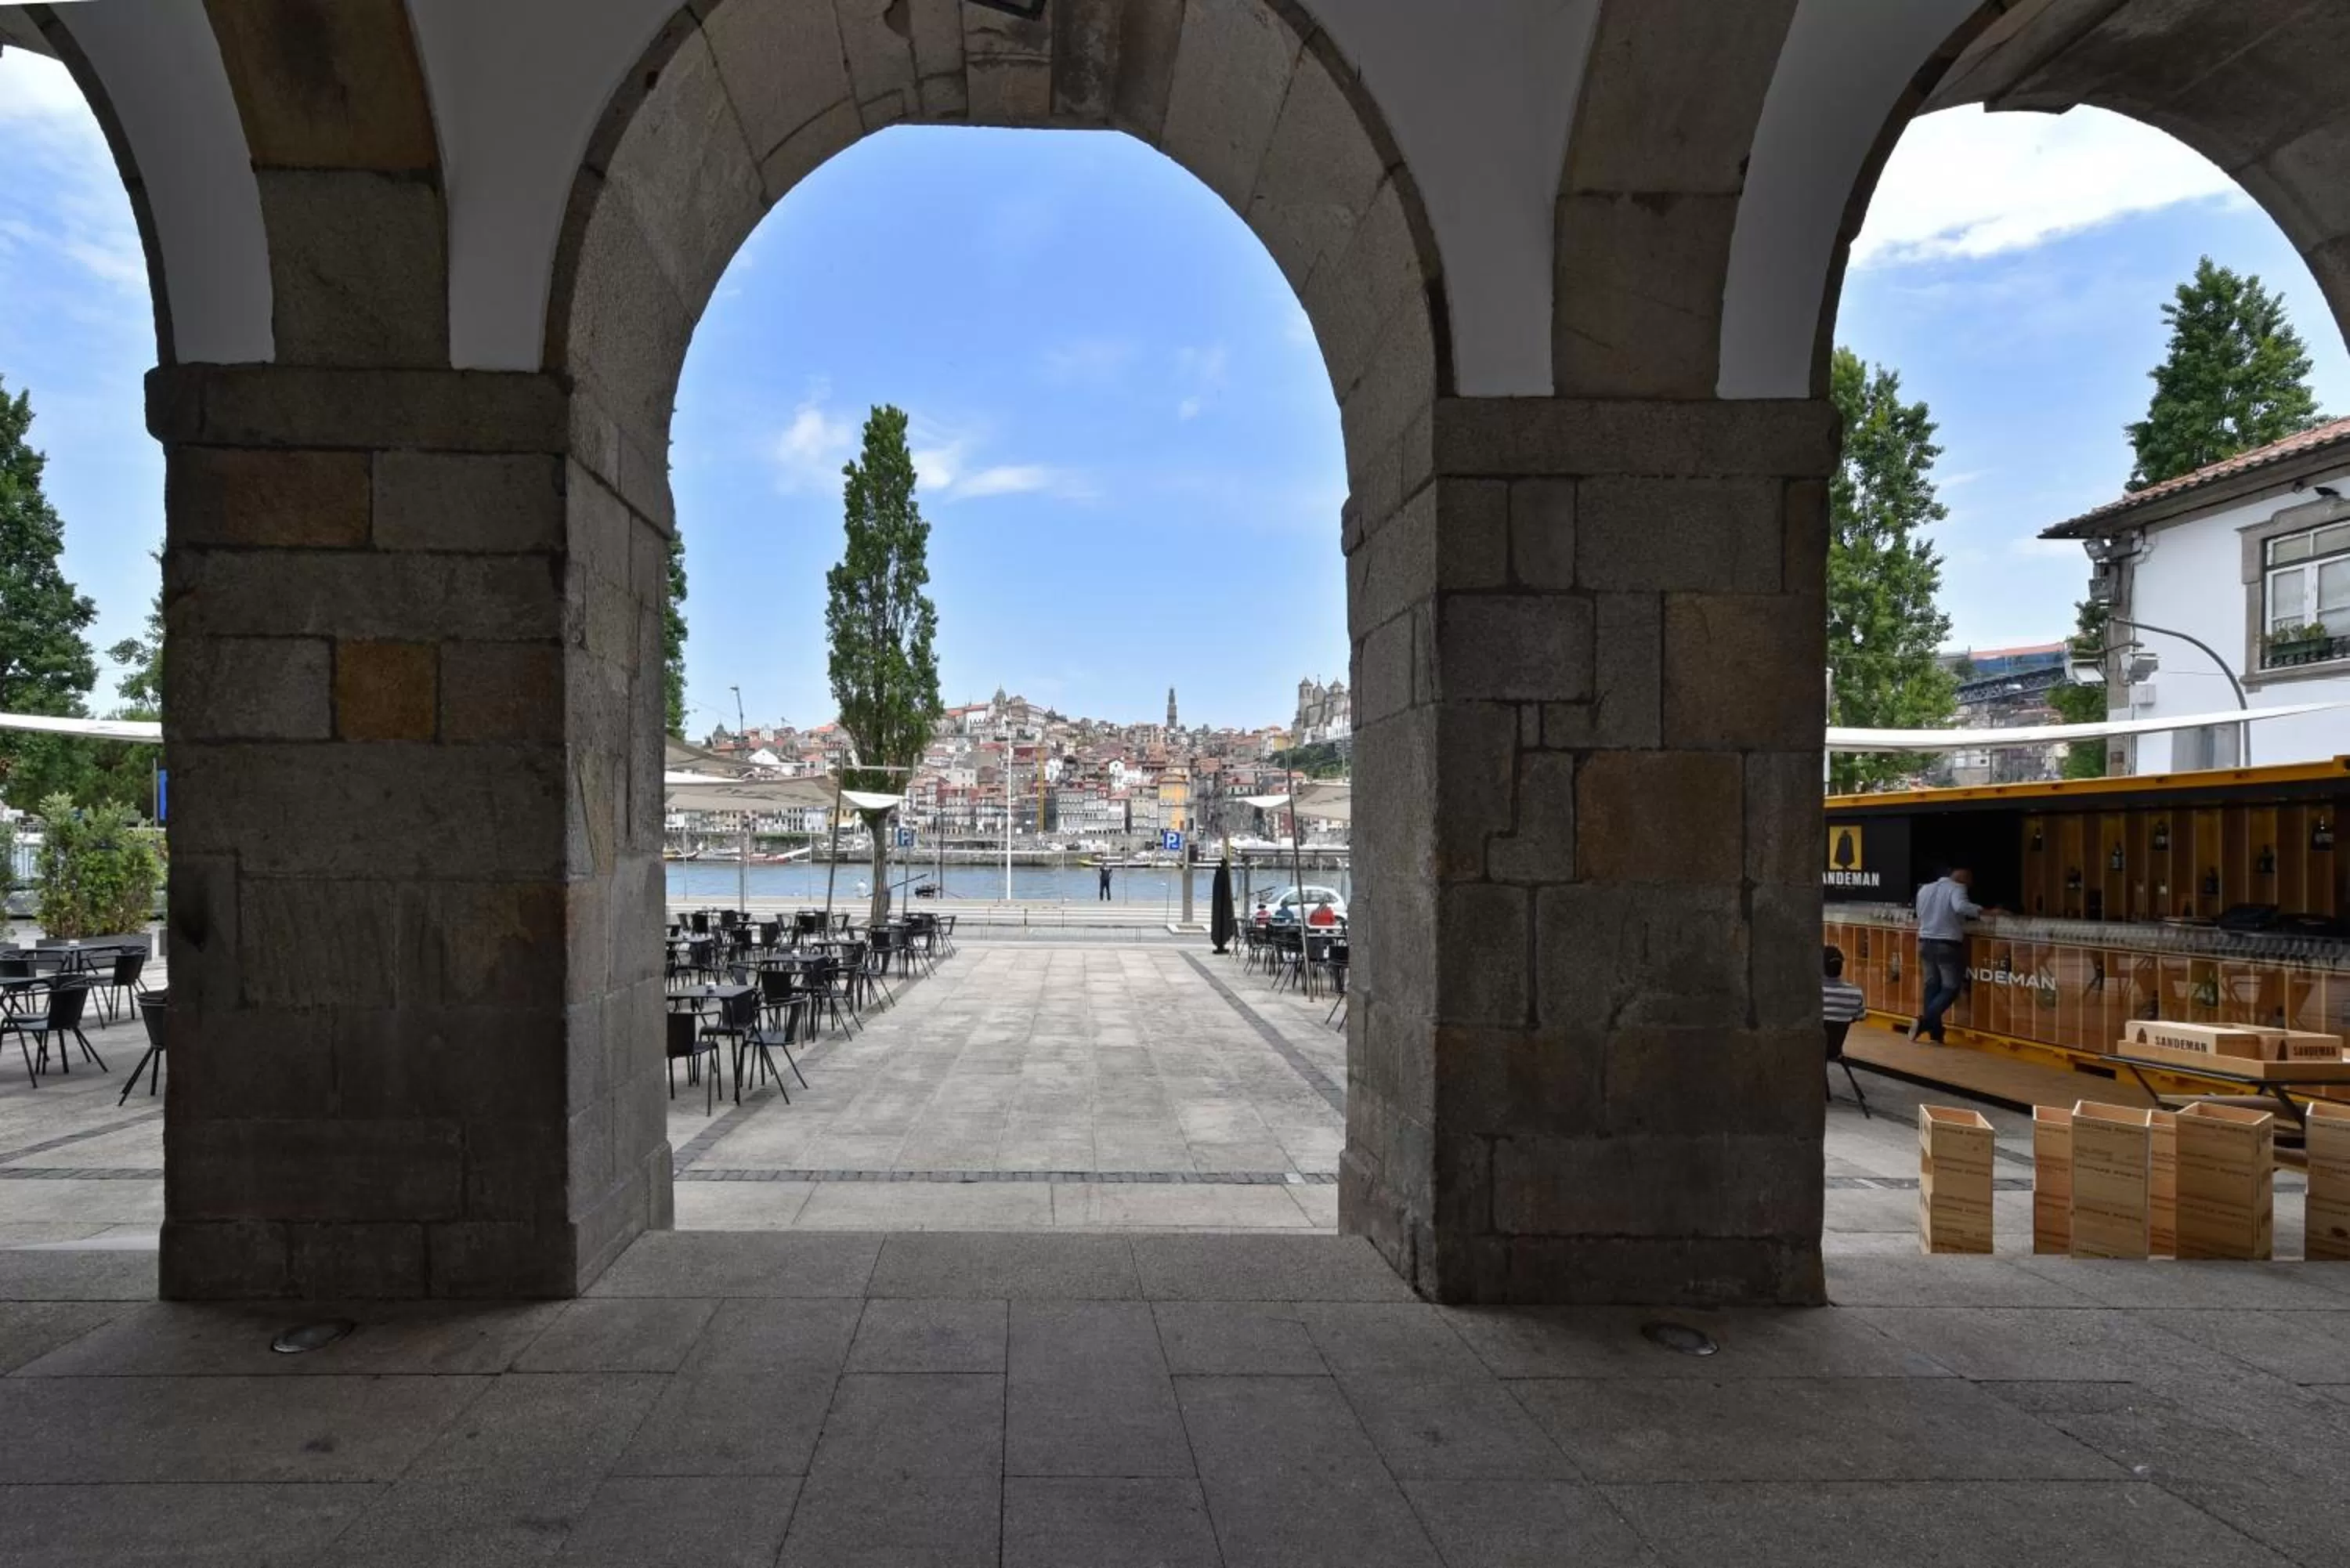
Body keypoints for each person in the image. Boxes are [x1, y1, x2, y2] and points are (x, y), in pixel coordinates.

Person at [1911, 864, 1983, 1044]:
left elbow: (1919, 913)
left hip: (1925, 941)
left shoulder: (1925, 889)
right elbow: (1961, 907)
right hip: (1947, 943)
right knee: (1951, 988)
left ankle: (1935, 1034)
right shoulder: (1957, 888)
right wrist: (1983, 911)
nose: (1970, 886)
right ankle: (1925, 1022)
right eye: (1969, 881)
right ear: (1963, 878)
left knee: (1931, 986)